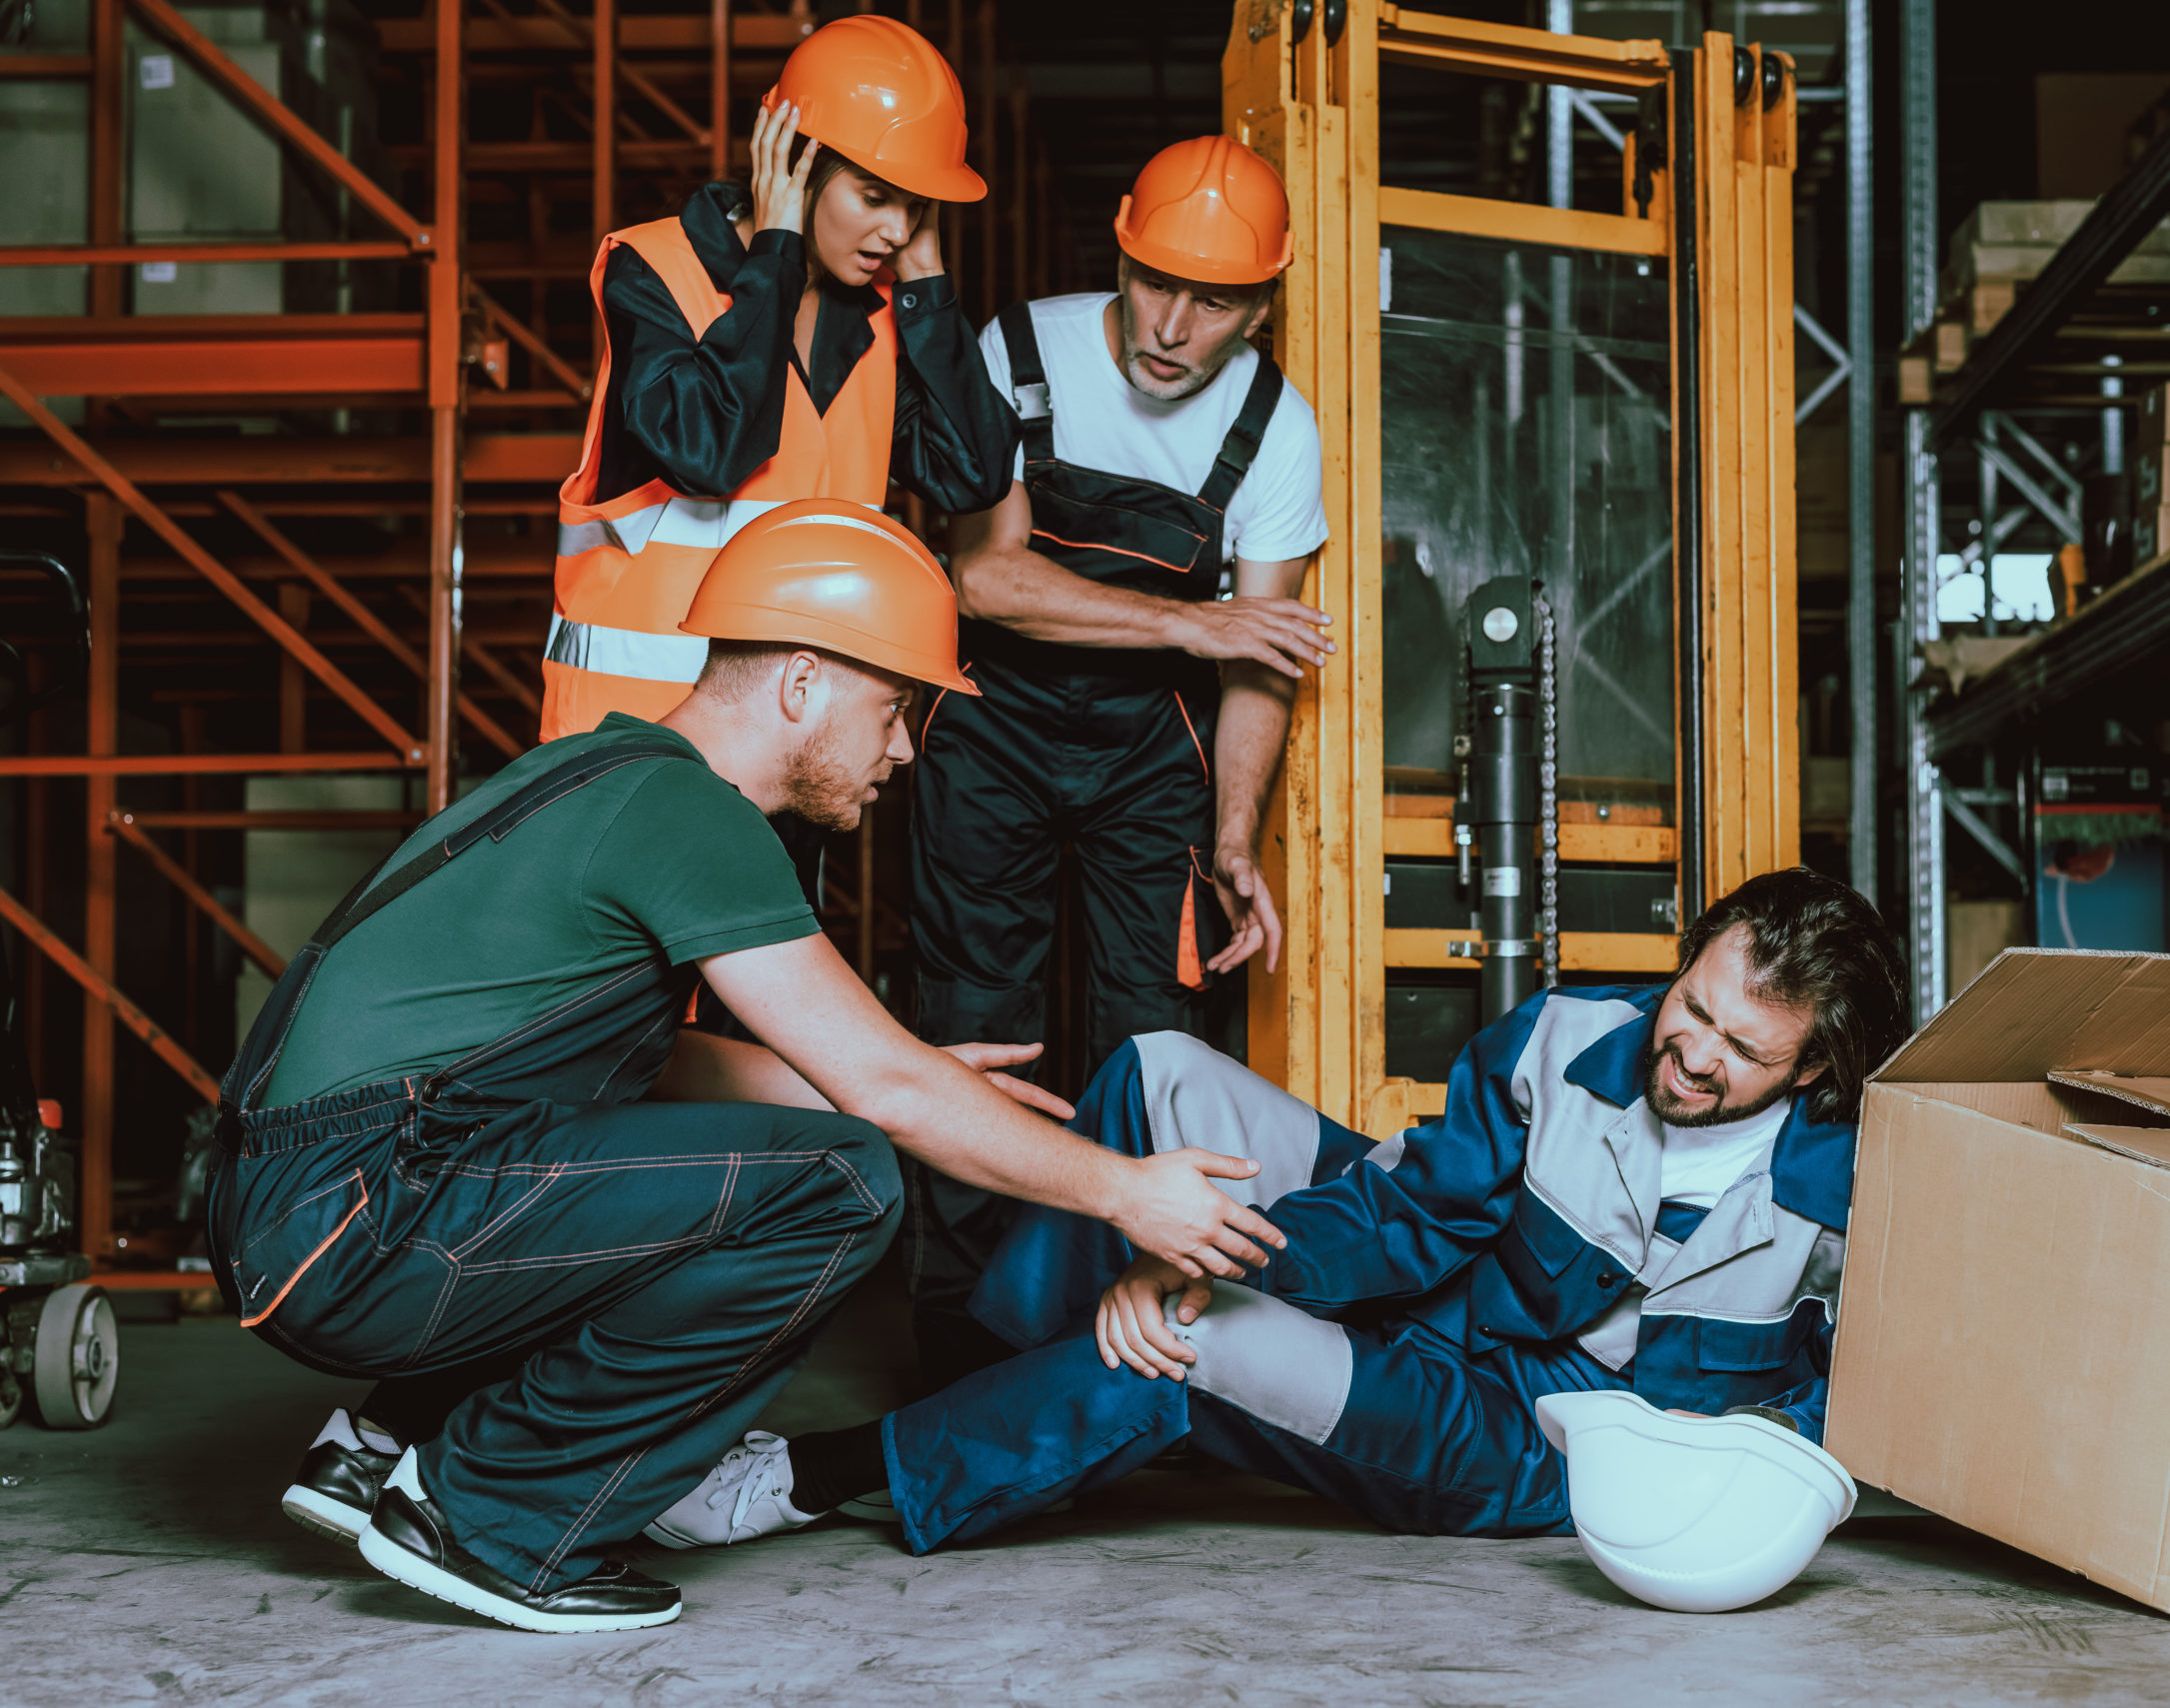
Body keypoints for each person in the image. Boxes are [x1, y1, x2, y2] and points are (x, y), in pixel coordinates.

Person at [208, 501, 1285, 1634]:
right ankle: (486, 1514)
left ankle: (391, 1445)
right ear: (803, 682)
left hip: (308, 1202)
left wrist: (911, 1076)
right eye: (897, 709)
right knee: (841, 1178)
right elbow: (887, 1100)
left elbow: (651, 1062)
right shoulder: (690, 814)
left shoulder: (608, 774)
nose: (906, 749)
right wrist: (1123, 1187)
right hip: (357, 1214)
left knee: (769, 1142)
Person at [648, 867, 1908, 1555]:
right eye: (1689, 1004)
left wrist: (1188, 1281)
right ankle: (1015, 1391)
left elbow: (1834, 1399)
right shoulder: (1573, 1036)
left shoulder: (1844, 1200)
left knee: (1194, 1339)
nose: (1686, 1053)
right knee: (1160, 1069)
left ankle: (823, 1473)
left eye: (1737, 1051)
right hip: (1436, 1295)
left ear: (1810, 1069)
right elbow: (1414, 1211)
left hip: (1524, 1438)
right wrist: (1188, 1239)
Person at [901, 135, 1333, 1388]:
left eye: (1212, 300)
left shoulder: (1276, 428)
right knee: (981, 1025)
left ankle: (1126, 1336)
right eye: (1153, 281)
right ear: (1122, 251)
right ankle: (958, 1344)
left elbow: (1262, 662)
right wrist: (1191, 621)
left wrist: (1235, 837)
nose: (1170, 324)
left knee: (1155, 1041)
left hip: (1157, 756)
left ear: (1261, 302)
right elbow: (983, 576)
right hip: (988, 730)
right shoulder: (1016, 351)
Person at [545, 13, 1015, 741]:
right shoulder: (654, 271)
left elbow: (973, 476)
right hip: (634, 740)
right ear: (795, 162)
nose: (897, 229)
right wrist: (779, 247)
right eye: (874, 195)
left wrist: (928, 280)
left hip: (794, 745)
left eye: (915, 207)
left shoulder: (884, 318)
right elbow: (712, 452)